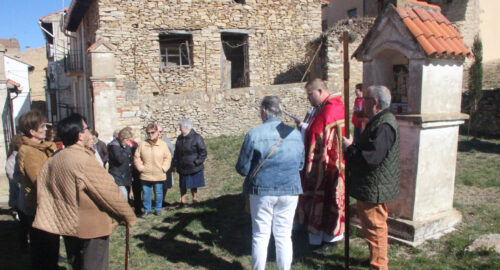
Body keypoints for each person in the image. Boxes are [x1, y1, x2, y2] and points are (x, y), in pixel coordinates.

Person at [32, 113, 137, 270]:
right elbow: (108, 192)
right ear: (80, 135)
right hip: (92, 229)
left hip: (68, 227)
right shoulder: (83, 160)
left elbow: (42, 191)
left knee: (77, 265)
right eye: (87, 128)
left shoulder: (54, 159)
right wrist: (129, 216)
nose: (89, 132)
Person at [236, 96, 305, 270]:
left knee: (260, 235)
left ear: (264, 111)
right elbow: (301, 164)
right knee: (283, 235)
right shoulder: (296, 135)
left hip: (262, 190)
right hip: (290, 189)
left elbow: (242, 168)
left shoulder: (254, 134)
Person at [342, 85, 400, 270]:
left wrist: (350, 148)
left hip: (374, 185)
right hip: (371, 184)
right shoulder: (378, 121)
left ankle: (379, 266)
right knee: (371, 228)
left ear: (374, 102)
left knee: (375, 229)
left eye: (364, 100)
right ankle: (375, 260)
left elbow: (372, 158)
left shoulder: (384, 125)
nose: (361, 105)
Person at [296, 78, 346, 253]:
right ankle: (325, 235)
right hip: (333, 162)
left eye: (310, 94)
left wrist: (303, 128)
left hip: (325, 166)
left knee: (325, 200)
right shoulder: (334, 105)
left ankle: (326, 237)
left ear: (319, 91)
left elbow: (315, 133)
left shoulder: (329, 109)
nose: (308, 99)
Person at [16, 111, 58, 269]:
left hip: (47, 204)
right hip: (39, 206)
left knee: (51, 246)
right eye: (42, 126)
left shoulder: (41, 148)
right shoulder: (29, 152)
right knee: (43, 249)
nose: (46, 129)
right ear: (32, 131)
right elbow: (38, 180)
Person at [134, 123, 171, 217]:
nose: (150, 134)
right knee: (146, 193)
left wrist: (164, 168)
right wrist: (140, 168)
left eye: (152, 132)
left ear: (157, 132)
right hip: (146, 174)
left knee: (158, 192)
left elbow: (168, 157)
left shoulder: (163, 144)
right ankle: (147, 209)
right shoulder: (142, 144)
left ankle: (158, 209)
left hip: (159, 173)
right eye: (148, 133)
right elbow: (136, 157)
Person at [173, 119, 207, 207]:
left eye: (180, 127)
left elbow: (203, 151)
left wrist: (197, 162)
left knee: (194, 184)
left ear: (186, 127)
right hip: (182, 166)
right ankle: (182, 201)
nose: (179, 129)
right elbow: (176, 152)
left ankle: (194, 199)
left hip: (193, 166)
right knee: (183, 185)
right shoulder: (180, 138)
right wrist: (175, 163)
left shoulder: (197, 137)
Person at [108, 128, 134, 200]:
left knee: (127, 195)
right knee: (123, 195)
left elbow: (130, 158)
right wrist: (127, 148)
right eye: (127, 140)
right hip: (117, 175)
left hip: (125, 175)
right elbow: (120, 159)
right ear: (123, 139)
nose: (128, 142)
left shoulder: (123, 146)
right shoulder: (114, 146)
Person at [158, 126, 175, 206]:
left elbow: (172, 151)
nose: (159, 133)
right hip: (155, 167)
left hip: (165, 166)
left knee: (165, 184)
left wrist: (172, 164)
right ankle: (157, 201)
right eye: (158, 131)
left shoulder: (166, 141)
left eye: (161, 131)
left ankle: (162, 200)